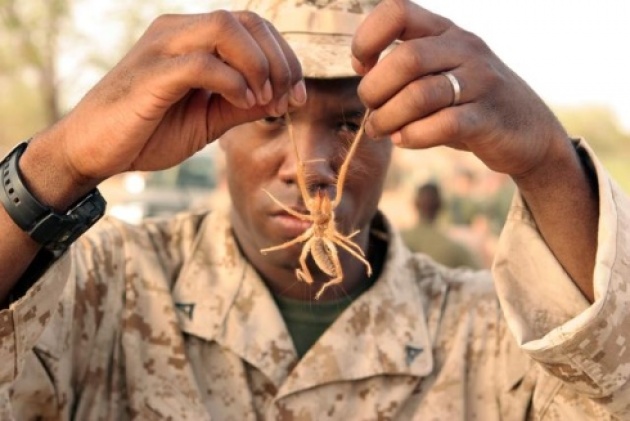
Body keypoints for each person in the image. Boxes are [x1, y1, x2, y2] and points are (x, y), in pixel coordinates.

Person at [0, 0, 627, 419]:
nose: (314, 166)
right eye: (271, 120)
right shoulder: (109, 286)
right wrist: (58, 166)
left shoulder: (485, 335)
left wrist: (549, 163)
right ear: (217, 131)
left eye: (352, 123)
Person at [402, 181, 481, 268]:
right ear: (440, 205)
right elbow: (482, 277)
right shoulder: (455, 250)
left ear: (415, 204)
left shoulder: (398, 241)